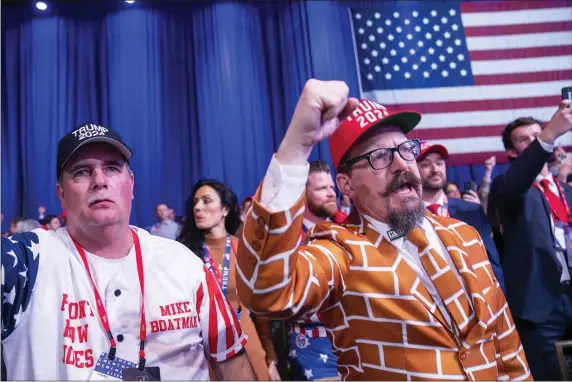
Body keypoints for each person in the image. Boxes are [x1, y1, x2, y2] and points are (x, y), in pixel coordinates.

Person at [236, 80, 530, 380]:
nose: (402, 164)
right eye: (379, 157)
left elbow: (507, 349)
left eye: (406, 148)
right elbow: (264, 290)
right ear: (346, 185)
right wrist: (296, 146)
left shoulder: (466, 236)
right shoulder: (341, 250)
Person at [1, 123, 255, 380]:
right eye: (81, 171)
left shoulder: (184, 265)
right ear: (61, 193)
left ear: (130, 184)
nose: (99, 181)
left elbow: (232, 362)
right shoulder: (27, 261)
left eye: (111, 168)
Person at [488, 107, 572, 381]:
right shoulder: (506, 187)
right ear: (512, 152)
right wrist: (547, 135)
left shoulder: (566, 190)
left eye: (538, 136)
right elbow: (516, 182)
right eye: (526, 139)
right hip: (539, 308)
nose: (534, 141)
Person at [252, 160, 341, 381]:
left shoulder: (346, 233)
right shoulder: (283, 241)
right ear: (301, 194)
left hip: (351, 344)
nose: (331, 194)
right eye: (321, 188)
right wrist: (269, 356)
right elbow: (262, 303)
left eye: (332, 187)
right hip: (308, 348)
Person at [177, 179, 269, 381]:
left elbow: (261, 311)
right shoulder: (183, 254)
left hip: (249, 346)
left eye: (206, 201)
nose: (198, 207)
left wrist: (271, 359)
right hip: (206, 353)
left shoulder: (245, 249)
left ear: (225, 209)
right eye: (195, 202)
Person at [416, 141, 505, 293]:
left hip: (478, 296)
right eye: (425, 164)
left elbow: (491, 261)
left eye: (439, 163)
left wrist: (499, 299)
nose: (435, 169)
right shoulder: (404, 216)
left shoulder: (471, 210)